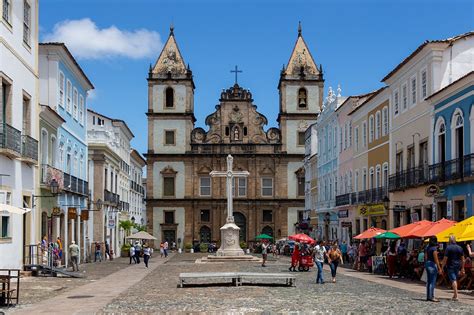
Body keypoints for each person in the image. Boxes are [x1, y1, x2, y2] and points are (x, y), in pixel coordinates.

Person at [441, 235, 465, 301]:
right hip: (458, 265)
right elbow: (463, 259)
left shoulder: (448, 248)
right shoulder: (460, 248)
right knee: (455, 279)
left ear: (450, 240)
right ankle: (454, 295)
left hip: (451, 265)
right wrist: (462, 268)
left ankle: (456, 295)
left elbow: (445, 259)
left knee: (453, 280)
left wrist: (442, 267)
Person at [425, 236, 442, 302]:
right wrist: (439, 267)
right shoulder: (434, 248)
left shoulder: (427, 247)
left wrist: (426, 264)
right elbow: (436, 259)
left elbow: (426, 257)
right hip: (432, 264)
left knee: (429, 281)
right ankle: (431, 296)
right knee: (432, 282)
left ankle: (428, 296)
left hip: (427, 264)